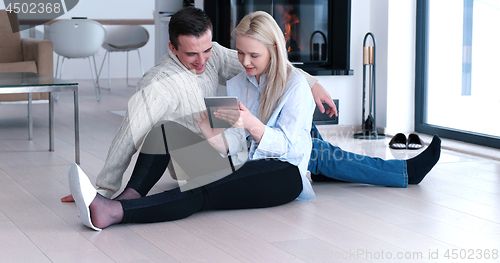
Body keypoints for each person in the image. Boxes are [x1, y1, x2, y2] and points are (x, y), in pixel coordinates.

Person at [69, 10, 316, 230]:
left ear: (274, 50)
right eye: (240, 53)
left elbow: (288, 148)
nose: (244, 61)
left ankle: (114, 212)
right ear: (172, 48)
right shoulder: (239, 78)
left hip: (284, 172)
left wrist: (252, 123)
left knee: (201, 191)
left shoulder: (295, 87)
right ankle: (129, 198)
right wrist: (216, 139)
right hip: (238, 162)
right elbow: (235, 140)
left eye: (253, 55)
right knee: (163, 131)